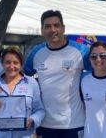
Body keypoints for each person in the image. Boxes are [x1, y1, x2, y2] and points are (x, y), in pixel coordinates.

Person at [24, 10, 90, 138]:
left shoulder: (81, 51)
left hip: (74, 123)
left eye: (56, 25)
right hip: (45, 123)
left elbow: (100, 70)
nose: (52, 30)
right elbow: (22, 76)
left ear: (63, 28)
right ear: (42, 30)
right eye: (47, 26)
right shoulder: (36, 52)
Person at [0, 47, 45, 138]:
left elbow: (39, 110)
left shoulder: (31, 83)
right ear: (2, 64)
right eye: (7, 62)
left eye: (15, 63)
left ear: (21, 65)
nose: (11, 66)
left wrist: (32, 120)